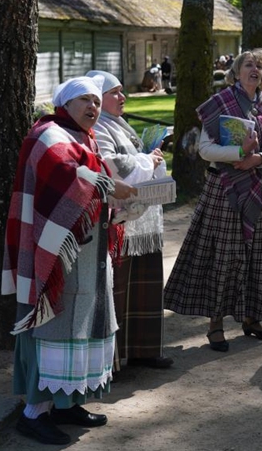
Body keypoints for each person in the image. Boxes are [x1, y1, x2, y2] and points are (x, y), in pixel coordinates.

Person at [2, 76, 137, 445]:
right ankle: (34, 413)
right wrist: (109, 186)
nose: (93, 107)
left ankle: (67, 403)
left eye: (97, 101)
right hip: (53, 258)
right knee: (54, 326)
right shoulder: (47, 134)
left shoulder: (83, 137)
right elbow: (64, 174)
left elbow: (89, 177)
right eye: (85, 101)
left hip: (85, 254)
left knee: (82, 325)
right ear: (65, 104)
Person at [163, 49, 262, 352]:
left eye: (259, 66)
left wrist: (257, 158)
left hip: (255, 188)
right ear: (236, 70)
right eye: (248, 64)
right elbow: (205, 149)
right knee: (224, 256)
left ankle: (252, 318)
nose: (254, 69)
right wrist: (238, 155)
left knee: (256, 255)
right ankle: (215, 324)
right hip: (224, 189)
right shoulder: (220, 103)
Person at [86, 70, 174, 370]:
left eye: (122, 91)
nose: (122, 97)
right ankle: (115, 360)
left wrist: (150, 156)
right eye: (115, 92)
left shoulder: (117, 123)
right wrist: (148, 160)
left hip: (142, 217)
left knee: (144, 286)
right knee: (120, 289)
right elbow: (113, 166)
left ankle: (144, 350)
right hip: (121, 219)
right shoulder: (97, 127)